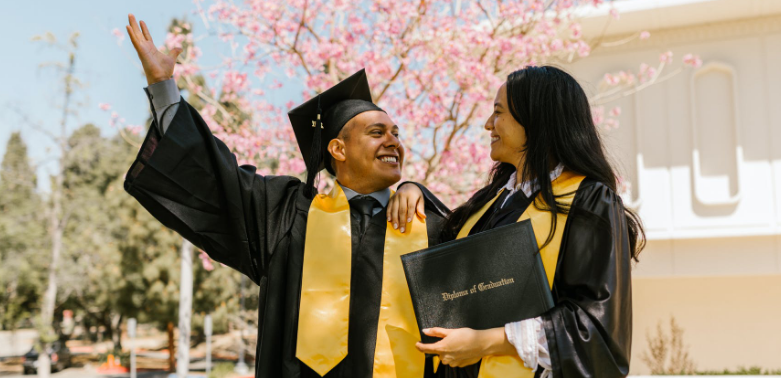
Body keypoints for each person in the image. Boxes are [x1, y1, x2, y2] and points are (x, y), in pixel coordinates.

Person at [123, 14, 450, 378]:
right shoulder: (286, 213)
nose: (393, 142)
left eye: (396, 133)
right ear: (338, 149)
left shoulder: (427, 224)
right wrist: (163, 87)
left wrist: (418, 190)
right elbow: (216, 176)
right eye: (377, 132)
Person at [390, 66, 644, 378]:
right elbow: (448, 255)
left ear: (535, 120)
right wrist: (412, 190)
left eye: (498, 113)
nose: (487, 125)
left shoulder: (588, 202)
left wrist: (487, 342)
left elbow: (594, 329)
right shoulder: (495, 200)